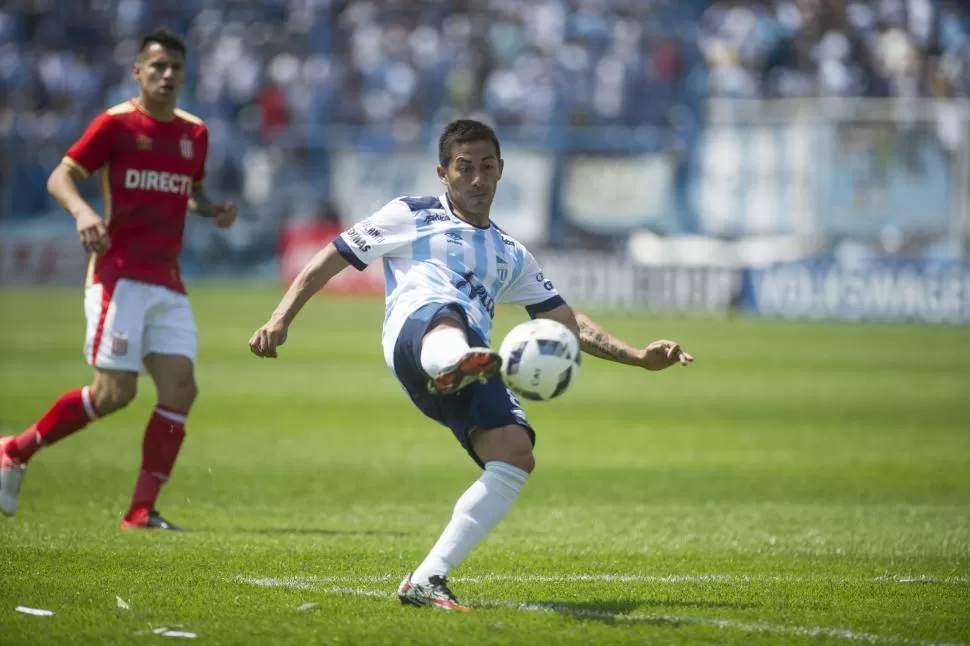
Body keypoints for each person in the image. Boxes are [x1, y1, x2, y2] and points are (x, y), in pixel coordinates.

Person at [248, 119, 693, 610]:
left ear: (501, 170)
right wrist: (280, 317)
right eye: (465, 168)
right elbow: (331, 257)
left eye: (486, 167)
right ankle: (453, 360)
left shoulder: (511, 254)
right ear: (443, 173)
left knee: (515, 451)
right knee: (450, 313)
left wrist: (636, 356)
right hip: (415, 335)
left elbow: (567, 322)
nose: (477, 179)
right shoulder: (410, 214)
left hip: (475, 359)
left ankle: (426, 579)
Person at [0, 28, 237, 531]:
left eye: (175, 67)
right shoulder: (115, 125)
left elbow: (186, 193)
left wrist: (210, 209)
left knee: (181, 388)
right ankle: (14, 451)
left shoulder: (195, 134)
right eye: (157, 67)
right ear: (138, 72)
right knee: (114, 394)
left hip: (168, 280)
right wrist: (84, 213)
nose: (167, 75)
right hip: (120, 276)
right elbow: (60, 176)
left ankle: (140, 511)